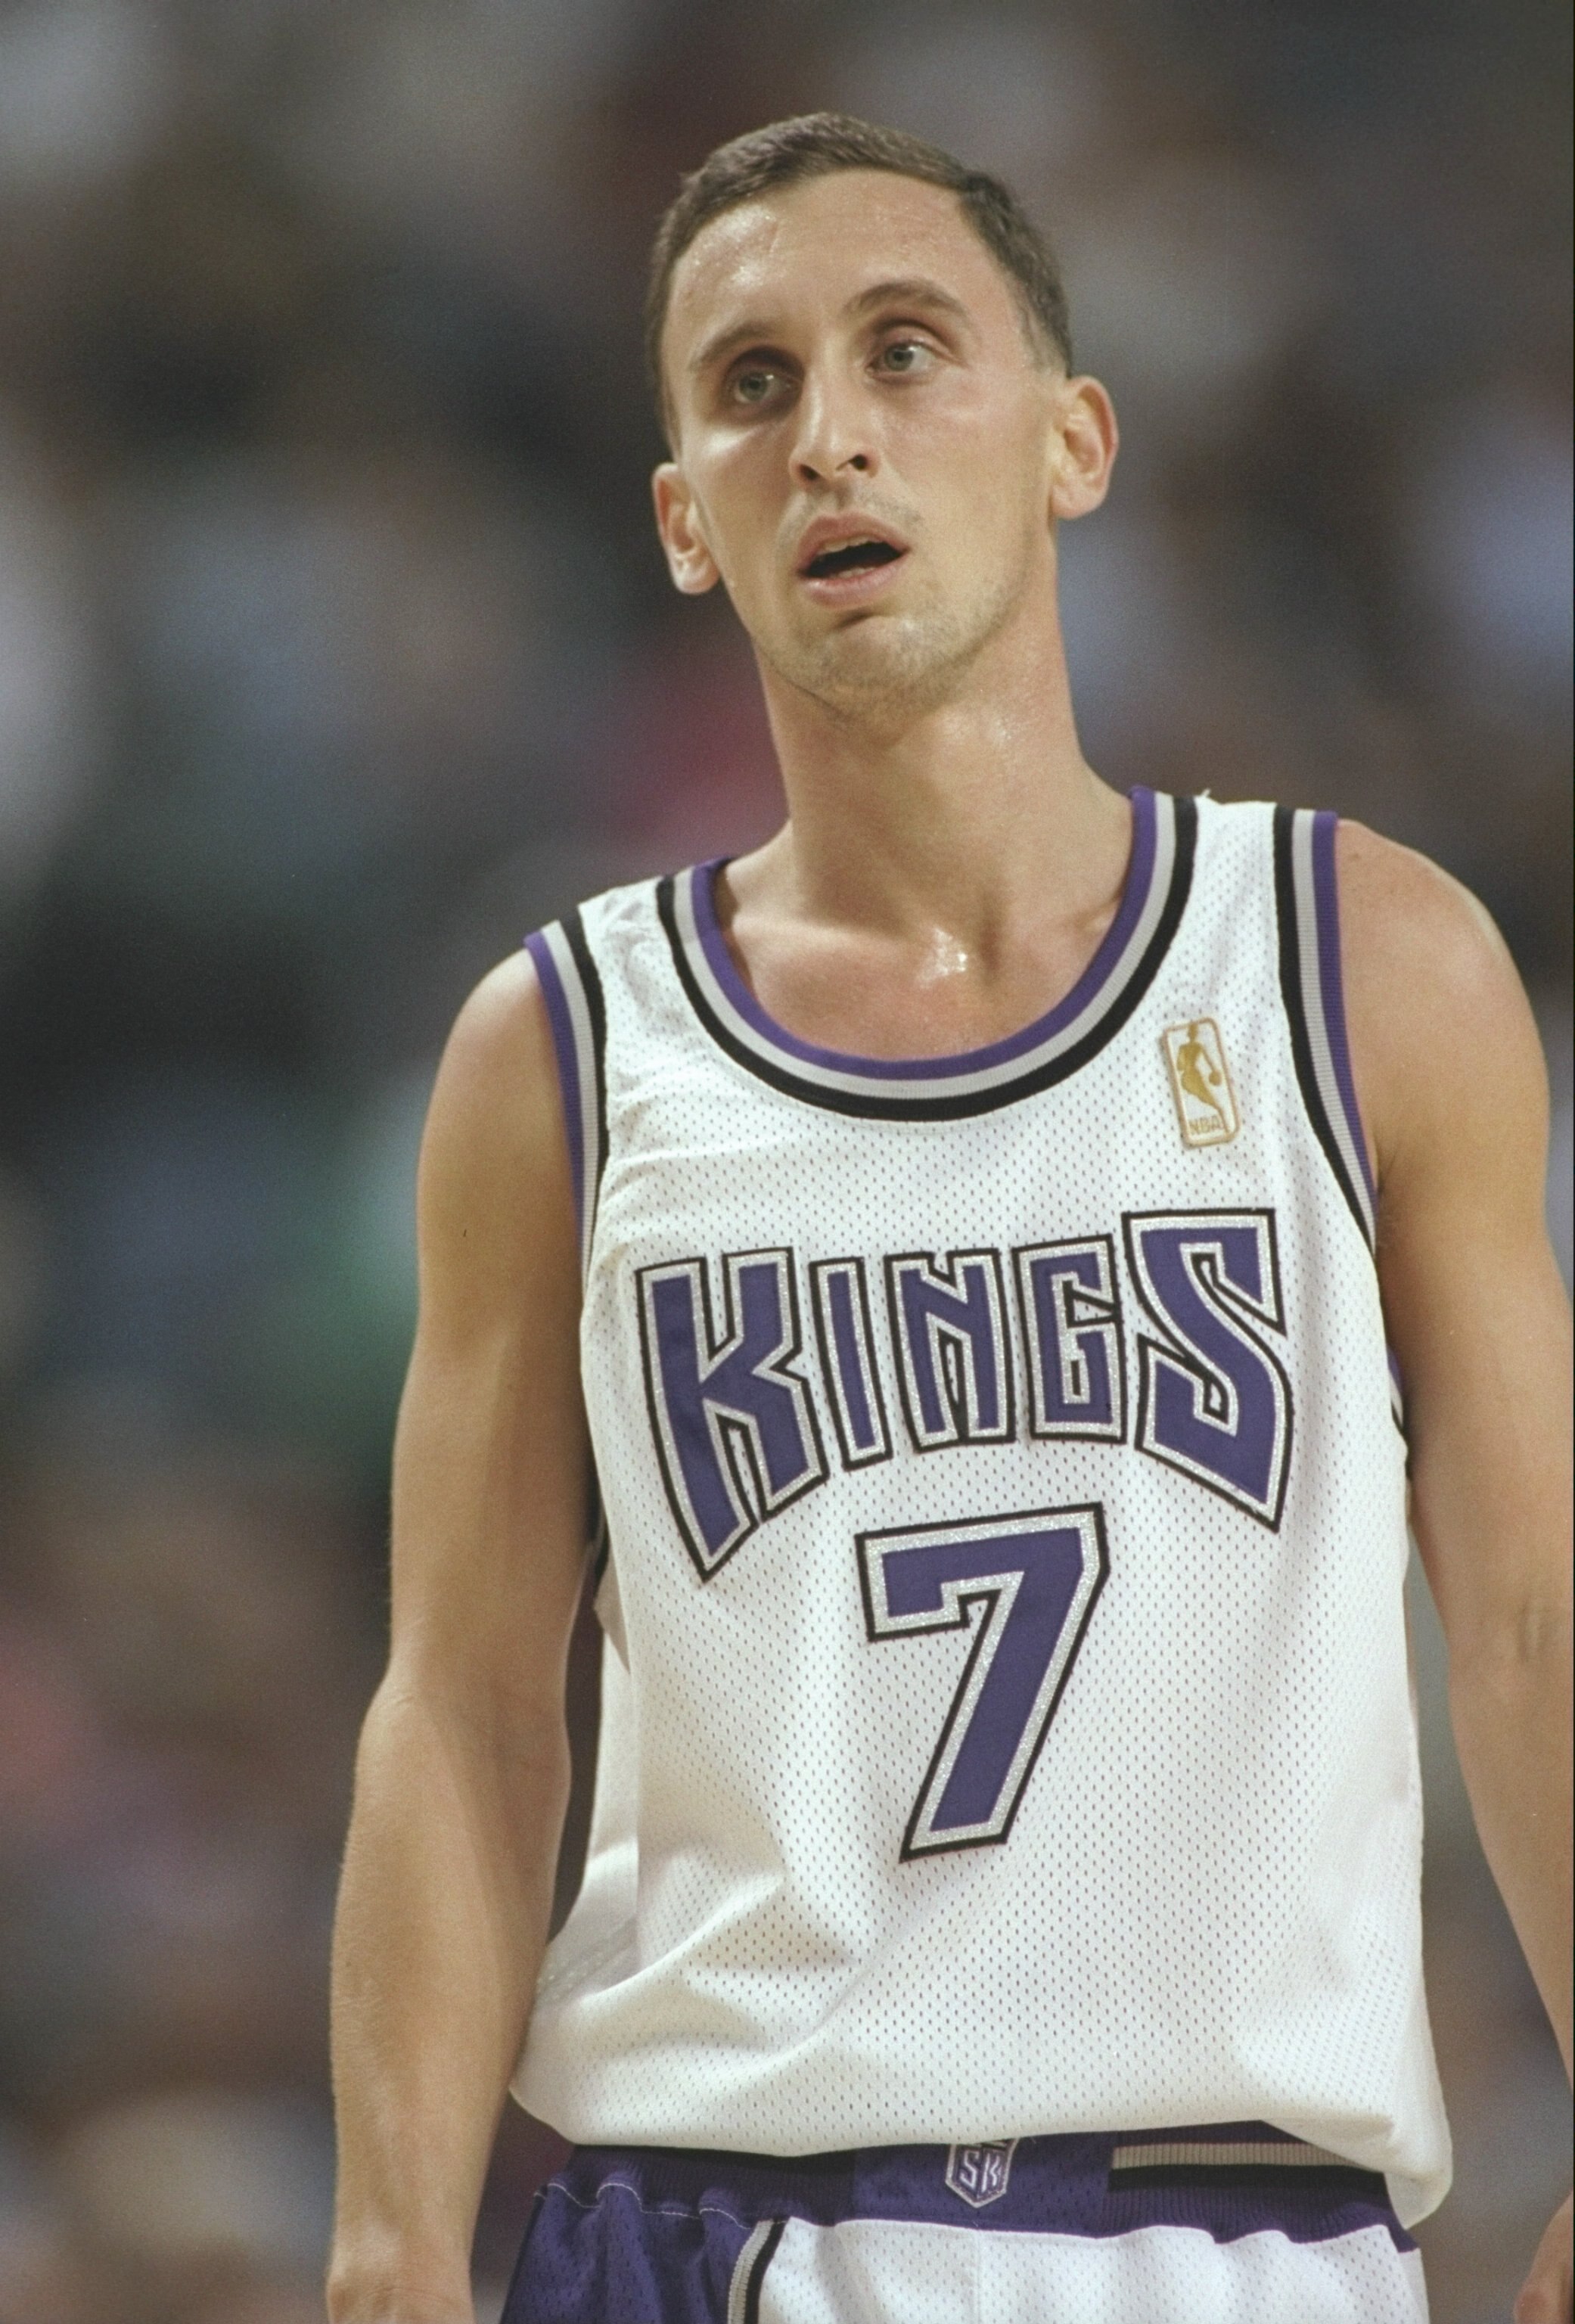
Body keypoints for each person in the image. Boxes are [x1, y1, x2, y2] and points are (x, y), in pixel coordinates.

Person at [325, 115, 1571, 2324]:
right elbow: (468, 1712)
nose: (830, 436)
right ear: (683, 521)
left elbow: (1533, 1622)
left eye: (905, 352)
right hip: (709, 2222)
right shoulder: (565, 1051)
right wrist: (391, 2243)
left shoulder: (1359, 964)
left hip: (1241, 2231)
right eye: (753, 386)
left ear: (1074, 438)